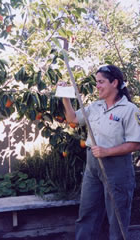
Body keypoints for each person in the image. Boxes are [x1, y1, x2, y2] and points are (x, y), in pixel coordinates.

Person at [60, 65, 140, 240]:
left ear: (114, 83)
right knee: (87, 213)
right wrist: (66, 98)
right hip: (93, 165)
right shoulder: (95, 106)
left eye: (101, 82)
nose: (97, 86)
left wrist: (108, 151)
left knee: (117, 217)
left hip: (117, 167)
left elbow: (135, 144)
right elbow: (73, 119)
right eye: (97, 82)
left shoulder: (129, 110)